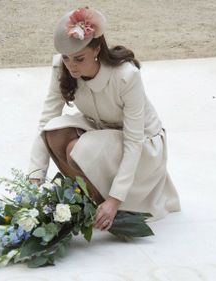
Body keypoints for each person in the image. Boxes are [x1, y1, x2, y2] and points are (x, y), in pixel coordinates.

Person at [27, 6, 181, 232]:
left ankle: (107, 206)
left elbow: (133, 139)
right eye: (67, 59)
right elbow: (46, 119)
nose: (71, 66)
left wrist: (115, 199)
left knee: (78, 149)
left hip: (142, 145)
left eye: (79, 58)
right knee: (54, 132)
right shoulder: (63, 68)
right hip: (101, 132)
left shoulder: (127, 76)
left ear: (97, 48)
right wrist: (34, 180)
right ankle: (89, 201)